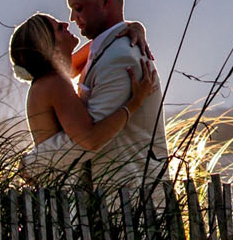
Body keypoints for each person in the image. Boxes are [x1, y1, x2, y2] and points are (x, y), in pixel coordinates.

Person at [10, 11, 158, 180]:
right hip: (65, 188)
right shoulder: (55, 83)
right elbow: (91, 138)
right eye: (59, 28)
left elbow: (107, 41)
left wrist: (137, 28)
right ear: (51, 47)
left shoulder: (50, 79)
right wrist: (135, 102)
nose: (66, 24)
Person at [66, 0, 169, 175]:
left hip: (128, 194)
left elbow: (89, 137)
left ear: (105, 1)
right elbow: (63, 70)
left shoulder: (121, 58)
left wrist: (35, 162)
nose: (71, 18)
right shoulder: (101, 47)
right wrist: (135, 25)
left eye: (78, 8)